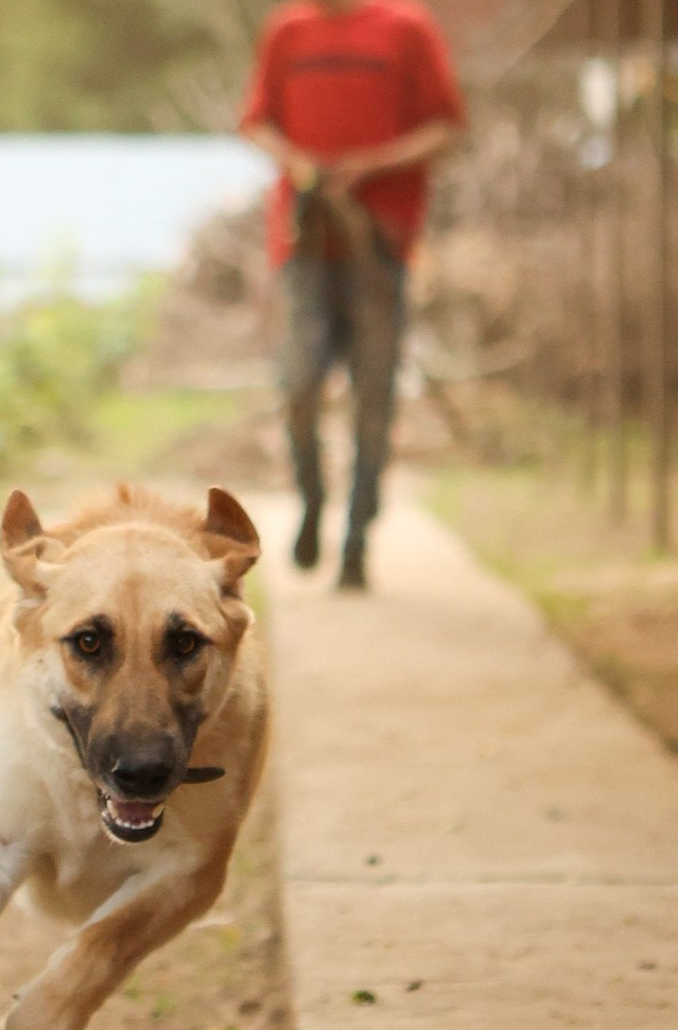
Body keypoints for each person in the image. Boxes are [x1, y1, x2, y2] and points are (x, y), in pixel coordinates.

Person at [239, 0, 465, 589]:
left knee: (373, 396)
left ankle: (358, 537)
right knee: (299, 383)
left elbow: (447, 127)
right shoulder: (288, 29)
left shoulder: (407, 28)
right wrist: (299, 163)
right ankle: (312, 498)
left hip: (380, 244)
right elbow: (257, 121)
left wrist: (371, 164)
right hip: (305, 243)